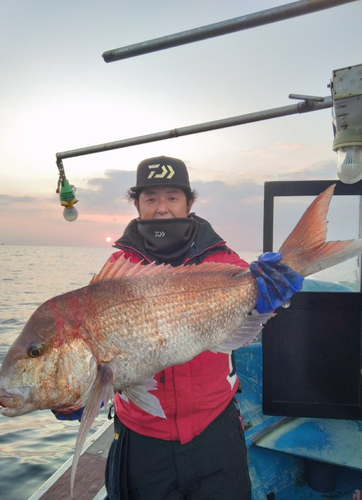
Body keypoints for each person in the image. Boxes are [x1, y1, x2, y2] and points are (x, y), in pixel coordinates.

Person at [104, 155, 252, 500]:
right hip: (142, 436)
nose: (162, 208)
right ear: (137, 204)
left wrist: (277, 293)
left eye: (172, 197)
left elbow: (252, 293)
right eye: (151, 198)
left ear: (189, 203)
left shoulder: (222, 259)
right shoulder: (117, 268)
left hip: (214, 427)